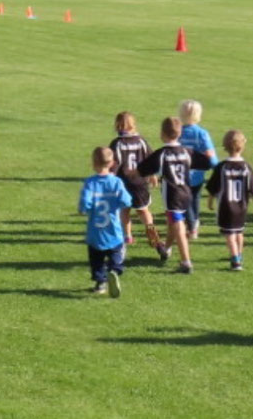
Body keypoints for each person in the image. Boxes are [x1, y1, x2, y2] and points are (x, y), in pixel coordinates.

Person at [138, 115, 199, 274]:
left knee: (178, 225)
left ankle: (186, 262)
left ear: (162, 134)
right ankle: (166, 248)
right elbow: (205, 162)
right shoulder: (187, 152)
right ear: (179, 133)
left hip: (173, 196)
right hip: (187, 192)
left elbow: (142, 169)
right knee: (172, 222)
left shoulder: (162, 153)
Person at [110, 112, 166, 264]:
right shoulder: (141, 141)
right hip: (140, 181)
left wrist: (110, 181)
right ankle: (152, 234)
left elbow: (114, 164)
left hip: (124, 182)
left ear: (117, 125)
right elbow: (151, 158)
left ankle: (127, 236)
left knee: (125, 209)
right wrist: (153, 174)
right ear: (133, 124)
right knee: (143, 210)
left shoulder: (117, 143)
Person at [79, 146, 131, 298]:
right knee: (116, 252)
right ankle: (114, 270)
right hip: (113, 230)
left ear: (94, 163)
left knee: (96, 260)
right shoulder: (116, 182)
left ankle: (100, 283)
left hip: (95, 232)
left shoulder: (90, 183)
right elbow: (127, 201)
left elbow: (85, 203)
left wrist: (84, 209)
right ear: (112, 163)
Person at [206, 130, 253, 271]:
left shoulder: (222, 167)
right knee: (239, 233)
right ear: (242, 146)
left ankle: (235, 261)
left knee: (230, 235)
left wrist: (210, 201)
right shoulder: (246, 167)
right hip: (242, 207)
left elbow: (213, 187)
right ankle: (239, 254)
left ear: (225, 146)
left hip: (226, 207)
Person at [178, 100, 216, 225]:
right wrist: (217, 166)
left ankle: (191, 224)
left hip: (181, 173)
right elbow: (210, 153)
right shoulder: (202, 133)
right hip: (198, 173)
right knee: (195, 197)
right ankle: (195, 220)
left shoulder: (178, 132)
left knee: (185, 199)